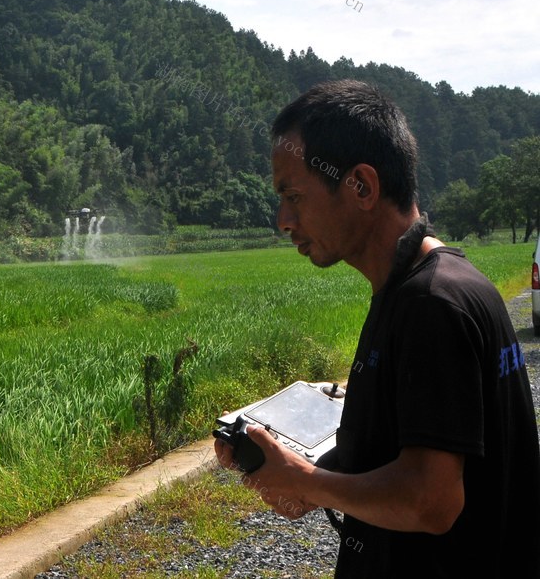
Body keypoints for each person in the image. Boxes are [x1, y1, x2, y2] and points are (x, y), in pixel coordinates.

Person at [214, 79, 540, 577]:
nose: (283, 219)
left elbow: (431, 500)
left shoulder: (431, 305)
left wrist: (303, 480)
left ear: (361, 187)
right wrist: (307, 474)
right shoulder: (425, 285)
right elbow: (409, 446)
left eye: (294, 195)